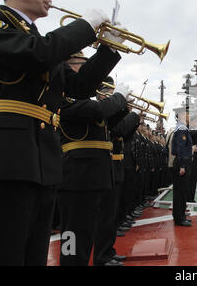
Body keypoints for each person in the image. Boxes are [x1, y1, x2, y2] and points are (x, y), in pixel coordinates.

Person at [0, 0, 120, 266]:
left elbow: (78, 87)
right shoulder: (3, 25)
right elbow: (37, 53)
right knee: (8, 252)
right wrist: (85, 27)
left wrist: (108, 49)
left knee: (34, 256)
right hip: (9, 160)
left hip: (43, 160)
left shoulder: (36, 38)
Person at [57, 76, 131, 266]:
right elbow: (98, 110)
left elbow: (109, 123)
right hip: (76, 174)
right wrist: (118, 98)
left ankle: (102, 256)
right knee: (72, 234)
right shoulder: (66, 96)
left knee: (97, 225)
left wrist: (123, 107)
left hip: (97, 172)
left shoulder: (87, 102)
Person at [171, 108, 193, 226]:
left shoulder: (181, 128)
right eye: (187, 115)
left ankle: (180, 215)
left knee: (181, 191)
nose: (189, 117)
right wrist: (182, 166)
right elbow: (181, 149)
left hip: (181, 162)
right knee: (180, 192)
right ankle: (179, 218)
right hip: (182, 163)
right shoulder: (182, 129)